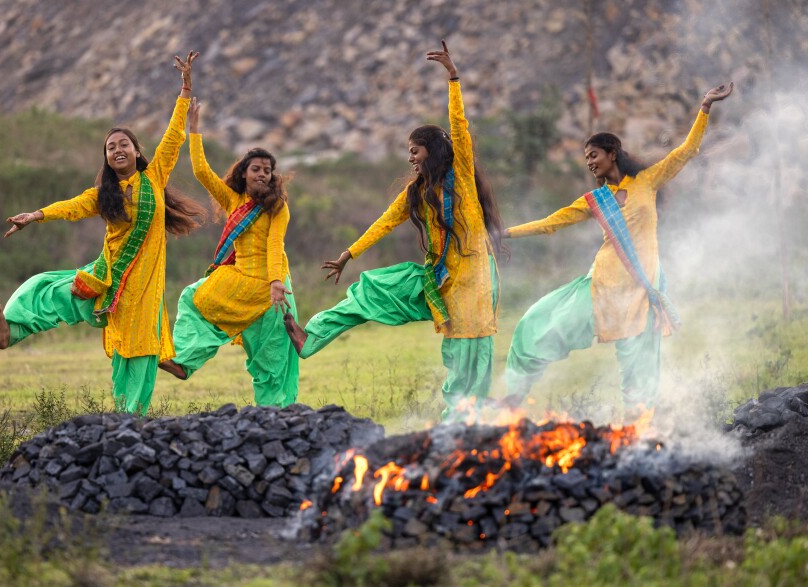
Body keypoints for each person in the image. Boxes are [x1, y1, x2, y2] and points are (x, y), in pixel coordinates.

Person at [284, 41, 506, 419]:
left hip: (475, 281)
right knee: (372, 289)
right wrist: (348, 254)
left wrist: (453, 78)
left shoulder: (462, 177)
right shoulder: (417, 192)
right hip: (435, 277)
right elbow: (385, 221)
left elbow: (460, 128)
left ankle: (465, 421)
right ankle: (312, 337)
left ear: (432, 151)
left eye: (415, 150)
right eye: (408, 151)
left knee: (467, 353)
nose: (410, 157)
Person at [0, 51, 205, 415]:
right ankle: (12, 329)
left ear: (137, 152)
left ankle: (128, 416)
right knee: (49, 288)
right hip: (106, 280)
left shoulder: (154, 178)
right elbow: (72, 205)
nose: (117, 150)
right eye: (110, 147)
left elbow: (172, 138)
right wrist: (36, 215)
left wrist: (184, 90)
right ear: (106, 158)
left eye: (124, 144)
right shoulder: (103, 196)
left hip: (142, 292)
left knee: (136, 354)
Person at [502, 82, 734, 419]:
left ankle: (636, 430)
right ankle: (513, 397)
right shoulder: (597, 201)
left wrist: (705, 108)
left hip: (639, 290)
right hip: (601, 286)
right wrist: (506, 233)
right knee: (538, 325)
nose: (590, 163)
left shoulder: (646, 182)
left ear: (613, 153)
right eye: (586, 159)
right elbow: (552, 223)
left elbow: (685, 152)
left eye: (593, 155)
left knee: (637, 368)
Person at [157, 97, 299, 408]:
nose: (262, 174)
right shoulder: (233, 200)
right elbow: (201, 172)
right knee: (194, 298)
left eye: (267, 170)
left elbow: (276, 245)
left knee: (271, 355)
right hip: (241, 280)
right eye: (256, 169)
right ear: (244, 173)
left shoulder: (277, 207)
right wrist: (194, 130)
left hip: (270, 286)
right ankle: (183, 361)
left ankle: (276, 417)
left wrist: (276, 282)